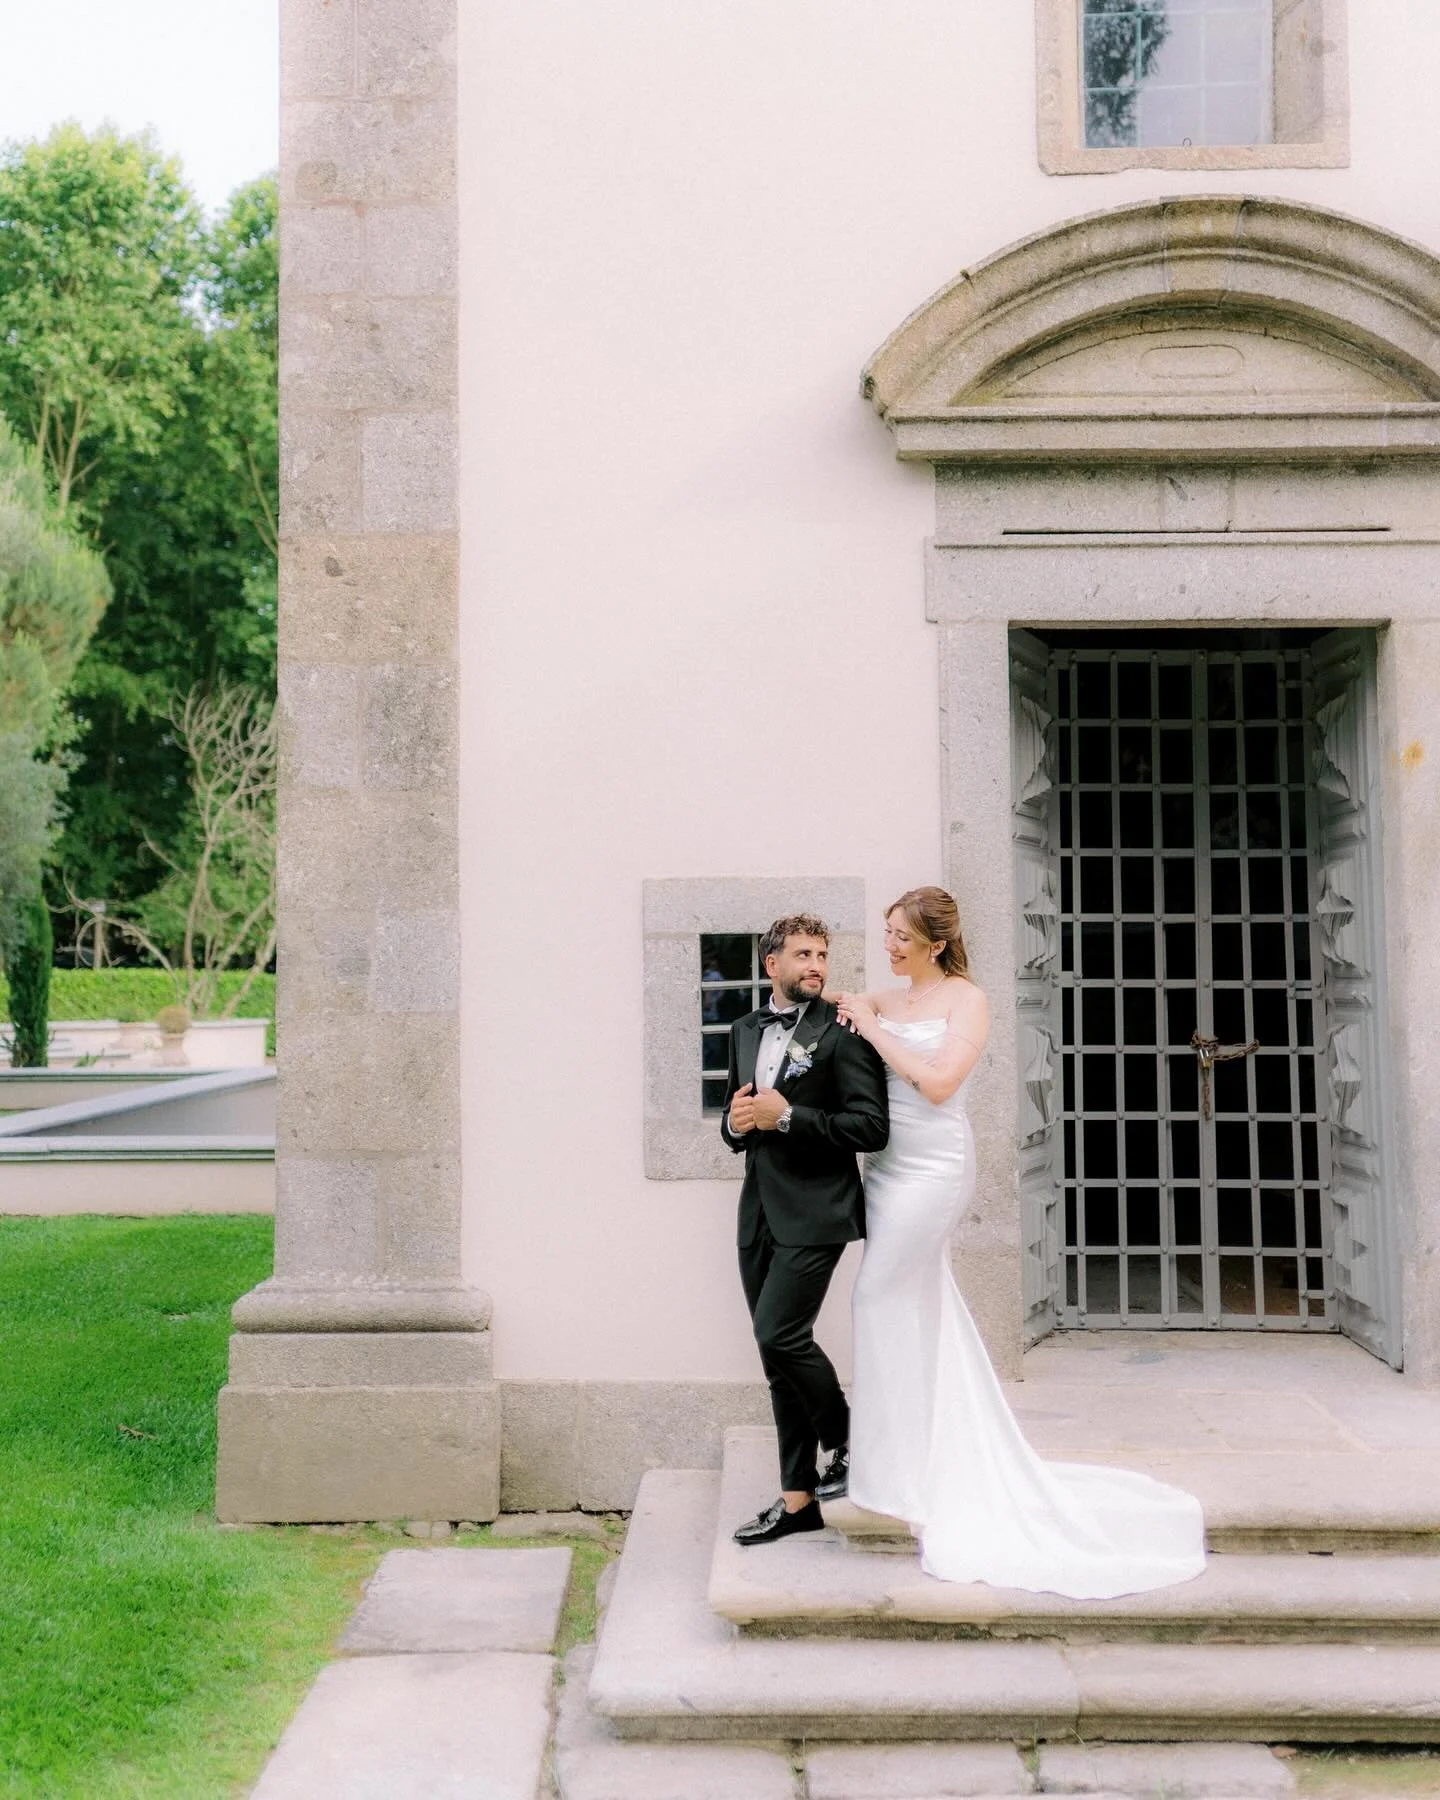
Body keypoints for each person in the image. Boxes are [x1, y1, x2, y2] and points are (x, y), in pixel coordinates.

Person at [835, 886, 1206, 1599]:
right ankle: (913, 1458)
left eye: (901, 938)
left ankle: (895, 1468)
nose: (890, 946)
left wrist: (874, 1033)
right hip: (883, 1172)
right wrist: (858, 1006)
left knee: (878, 1296)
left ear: (936, 944)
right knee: (920, 1306)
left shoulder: (966, 1000)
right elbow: (861, 1003)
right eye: (886, 934)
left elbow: (941, 1084)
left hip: (934, 1171)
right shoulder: (893, 998)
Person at [722, 912, 889, 1546]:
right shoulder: (743, 1029)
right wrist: (739, 1124)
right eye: (803, 954)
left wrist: (789, 1116)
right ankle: (797, 1501)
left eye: (822, 954)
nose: (816, 965)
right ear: (773, 964)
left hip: (817, 1212)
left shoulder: (843, 1036)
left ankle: (848, 1439)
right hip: (757, 1210)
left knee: (779, 1332)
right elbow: (737, 1127)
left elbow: (871, 1128)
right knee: (775, 1358)